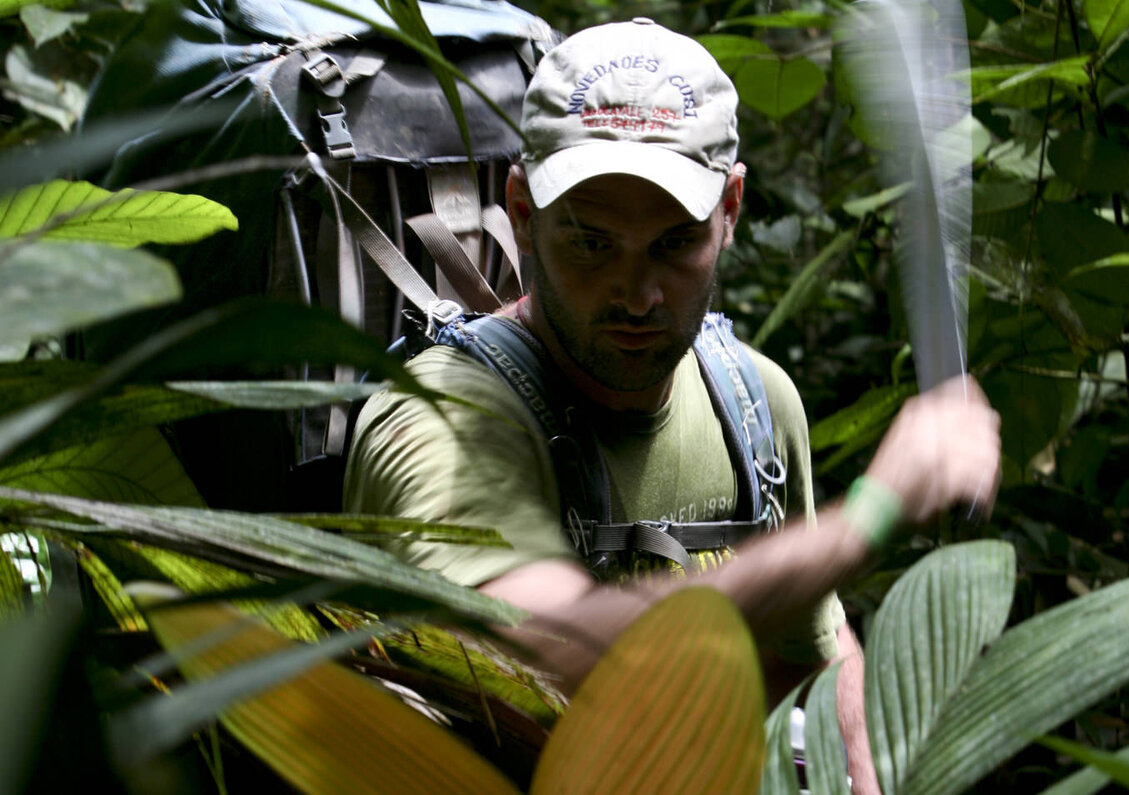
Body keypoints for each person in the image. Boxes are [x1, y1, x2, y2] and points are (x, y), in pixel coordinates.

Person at [344, 17, 1001, 794]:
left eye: (673, 244)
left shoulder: (755, 407)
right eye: (590, 243)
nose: (637, 294)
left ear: (731, 210)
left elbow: (814, 657)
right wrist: (864, 523)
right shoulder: (441, 420)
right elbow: (556, 645)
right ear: (521, 211)